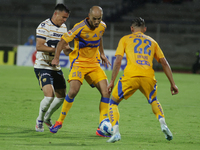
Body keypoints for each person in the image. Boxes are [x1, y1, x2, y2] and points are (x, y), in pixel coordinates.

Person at [106, 17, 179, 143]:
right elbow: (164, 63)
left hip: (131, 76)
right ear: (145, 29)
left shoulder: (125, 39)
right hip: (148, 77)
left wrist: (112, 81)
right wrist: (173, 83)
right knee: (154, 100)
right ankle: (163, 124)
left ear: (131, 28)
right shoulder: (152, 42)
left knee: (113, 103)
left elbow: (118, 61)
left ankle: (116, 132)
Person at [49, 6, 111, 137]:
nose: (97, 22)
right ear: (89, 16)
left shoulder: (102, 26)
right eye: (94, 19)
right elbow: (62, 41)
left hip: (94, 64)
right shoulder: (79, 27)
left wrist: (102, 54)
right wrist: (56, 58)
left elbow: (99, 37)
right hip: (79, 64)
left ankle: (101, 126)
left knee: (106, 92)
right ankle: (59, 121)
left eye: (99, 19)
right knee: (73, 91)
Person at [34, 3, 72, 132]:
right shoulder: (44, 26)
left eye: (66, 18)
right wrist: (57, 49)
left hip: (56, 67)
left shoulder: (64, 28)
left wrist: (70, 50)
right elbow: (39, 46)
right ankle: (39, 120)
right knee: (49, 96)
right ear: (56, 14)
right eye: (63, 17)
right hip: (43, 66)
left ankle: (47, 117)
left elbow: (65, 49)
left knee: (61, 96)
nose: (64, 20)